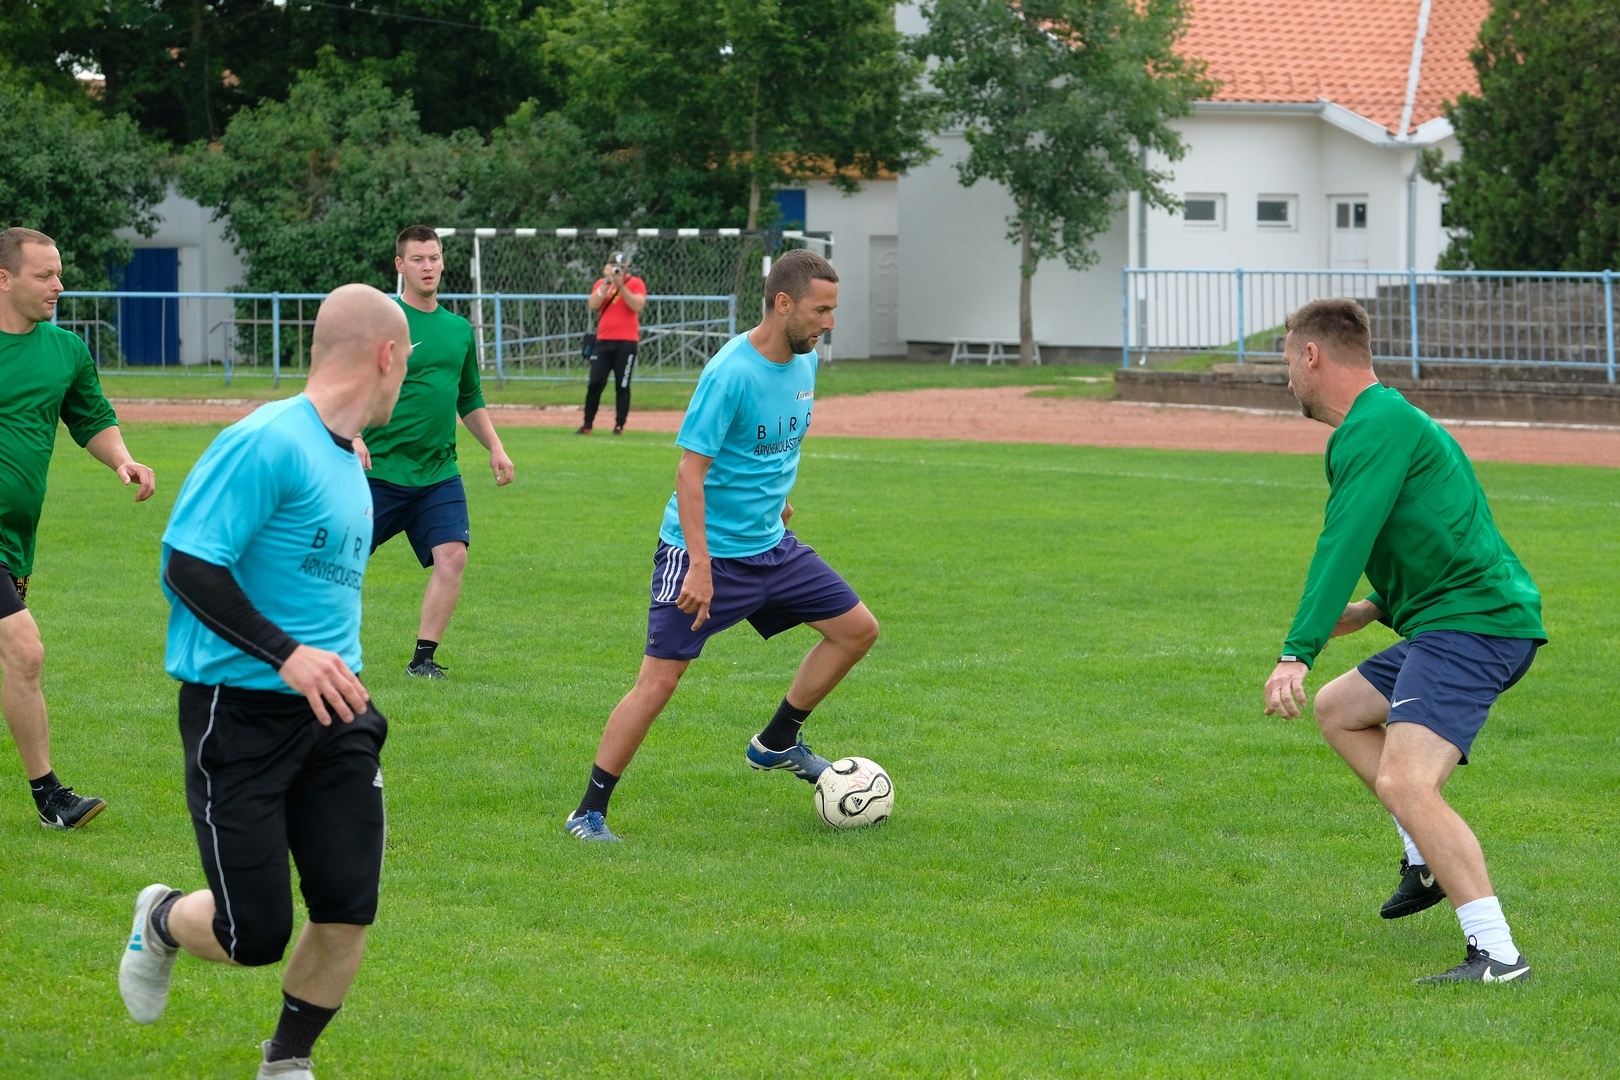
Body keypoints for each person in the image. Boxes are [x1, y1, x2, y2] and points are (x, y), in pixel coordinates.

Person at [119, 284, 410, 1079]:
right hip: (239, 715)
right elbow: (187, 565)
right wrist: (285, 654)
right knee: (254, 934)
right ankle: (163, 917)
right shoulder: (266, 441)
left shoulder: (346, 454)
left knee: (347, 905)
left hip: (338, 712)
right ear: (387, 355)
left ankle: (287, 1062)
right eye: (407, 362)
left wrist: (318, 665)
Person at [1263, 298, 1546, 985]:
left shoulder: (1376, 427)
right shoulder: (1387, 421)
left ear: (1311, 355)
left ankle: (1498, 956)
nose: (1287, 378)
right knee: (1340, 709)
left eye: (1287, 361)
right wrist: (1373, 607)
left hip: (1475, 625)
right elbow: (1440, 533)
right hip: (1462, 618)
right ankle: (1424, 861)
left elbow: (1346, 538)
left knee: (1406, 781)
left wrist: (1297, 651)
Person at [564, 248, 879, 842]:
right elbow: (690, 473)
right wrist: (701, 567)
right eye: (820, 310)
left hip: (772, 548)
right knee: (658, 683)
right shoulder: (730, 372)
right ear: (783, 303)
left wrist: (778, 503)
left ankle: (777, 740)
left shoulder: (805, 364)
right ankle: (589, 812)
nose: (830, 322)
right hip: (702, 555)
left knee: (857, 630)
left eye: (833, 310)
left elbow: (773, 448)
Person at [0, 226, 156, 829]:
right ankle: (51, 798)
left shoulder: (66, 350)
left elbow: (90, 417)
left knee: (17, 658)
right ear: (5, 279)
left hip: (15, 541)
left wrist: (122, 460)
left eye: (59, 274)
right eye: (45, 275)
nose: (58, 285)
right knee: (24, 650)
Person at [353, 225, 514, 679]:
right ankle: (316, 645)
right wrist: (355, 436)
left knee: (453, 556)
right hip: (379, 470)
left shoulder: (459, 329)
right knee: (342, 561)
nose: (428, 266)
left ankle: (423, 660)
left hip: (438, 472)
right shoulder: (382, 323)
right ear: (400, 265)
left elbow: (469, 397)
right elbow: (353, 386)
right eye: (418, 259)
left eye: (434, 257)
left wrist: (496, 446)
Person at [576, 251, 647, 436]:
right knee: (595, 383)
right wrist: (607, 283)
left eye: (621, 268)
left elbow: (637, 305)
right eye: (615, 267)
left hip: (627, 342)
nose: (618, 270)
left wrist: (621, 285)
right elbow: (593, 304)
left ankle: (619, 425)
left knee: (622, 385)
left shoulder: (635, 283)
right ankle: (587, 424)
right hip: (603, 341)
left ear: (626, 268)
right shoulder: (602, 283)